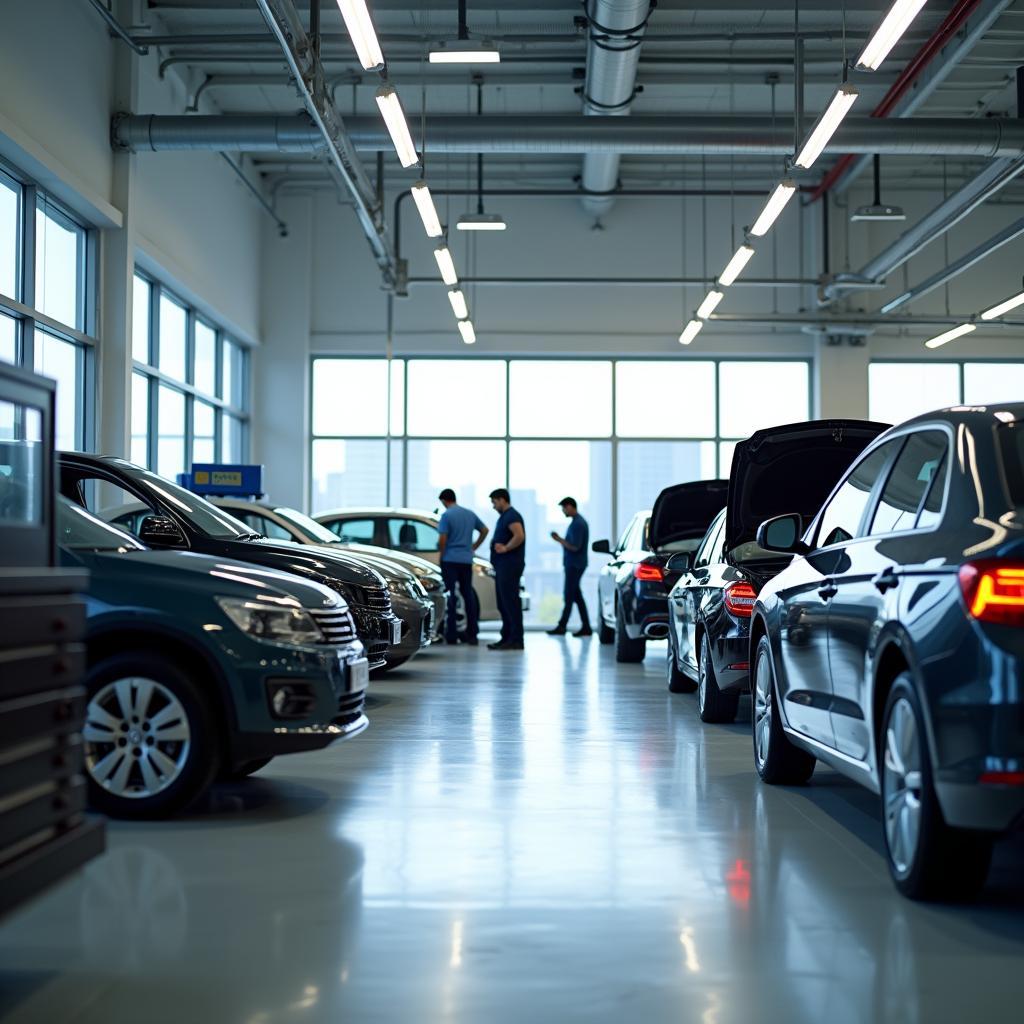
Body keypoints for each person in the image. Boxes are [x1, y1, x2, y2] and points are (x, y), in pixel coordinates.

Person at [437, 488, 488, 645]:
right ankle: (473, 634)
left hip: (450, 560)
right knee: (468, 596)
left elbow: (443, 539)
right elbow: (485, 530)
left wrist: (441, 556)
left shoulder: (446, 515)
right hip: (466, 560)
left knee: (451, 596)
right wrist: (473, 547)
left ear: (445, 501)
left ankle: (451, 635)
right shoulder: (469, 514)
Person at [547, 497, 592, 637]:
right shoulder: (576, 522)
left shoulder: (578, 524)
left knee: (569, 595)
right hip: (575, 564)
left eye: (564, 508)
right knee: (576, 596)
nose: (563, 511)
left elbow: (575, 547)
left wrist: (559, 539)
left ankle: (562, 626)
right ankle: (586, 627)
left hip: (575, 565)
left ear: (570, 506)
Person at [487, 487, 526, 651]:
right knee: (504, 603)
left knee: (510, 603)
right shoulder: (505, 516)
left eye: (494, 502)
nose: (493, 506)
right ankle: (507, 637)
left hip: (509, 566)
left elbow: (519, 535)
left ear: (502, 500)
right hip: (503, 566)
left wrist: (506, 548)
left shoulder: (512, 516)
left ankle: (515, 639)